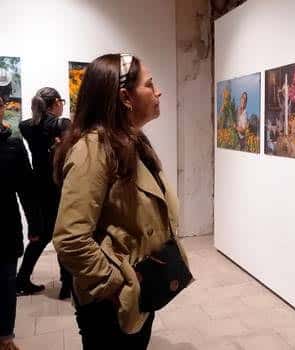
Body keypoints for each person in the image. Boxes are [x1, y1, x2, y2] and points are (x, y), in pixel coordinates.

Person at [52, 53, 187, 349]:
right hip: (110, 305)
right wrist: (120, 284)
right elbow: (70, 239)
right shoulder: (93, 149)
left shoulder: (132, 140)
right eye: (150, 85)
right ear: (125, 97)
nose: (158, 91)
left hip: (139, 288)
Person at [17, 87, 73, 298]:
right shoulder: (62, 124)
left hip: (39, 187)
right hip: (60, 185)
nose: (62, 106)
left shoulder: (25, 127)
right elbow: (72, 152)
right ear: (55, 103)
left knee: (44, 233)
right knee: (64, 232)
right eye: (61, 102)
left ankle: (22, 279)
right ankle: (66, 284)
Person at [0, 96, 42, 350]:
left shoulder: (13, 145)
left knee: (5, 284)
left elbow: (26, 189)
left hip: (5, 227)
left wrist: (35, 225)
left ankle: (5, 337)